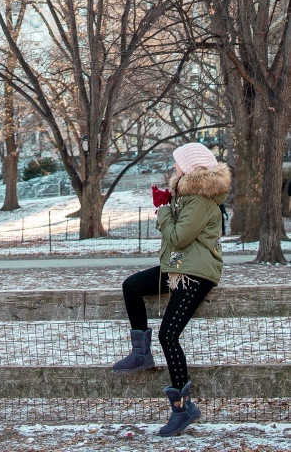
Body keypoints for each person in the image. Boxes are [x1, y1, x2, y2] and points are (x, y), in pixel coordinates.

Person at [112, 141, 231, 437]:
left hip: (196, 273)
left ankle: (183, 408)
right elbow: (176, 241)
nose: (174, 168)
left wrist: (163, 210)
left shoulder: (201, 200)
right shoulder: (188, 198)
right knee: (132, 286)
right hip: (180, 267)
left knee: (169, 334)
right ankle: (141, 352)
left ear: (190, 168)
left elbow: (177, 237)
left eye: (178, 164)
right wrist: (168, 207)